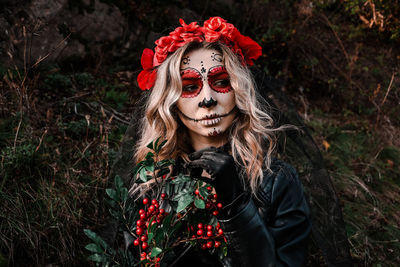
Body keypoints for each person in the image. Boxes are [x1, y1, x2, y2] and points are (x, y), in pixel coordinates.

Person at [133, 16, 312, 266]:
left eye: (221, 82)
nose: (208, 99)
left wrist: (236, 204)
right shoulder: (152, 181)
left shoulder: (276, 181)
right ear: (170, 101)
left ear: (239, 90)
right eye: (190, 86)